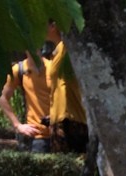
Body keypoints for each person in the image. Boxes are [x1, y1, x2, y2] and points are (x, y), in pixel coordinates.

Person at [46, 21, 88, 153]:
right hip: (58, 118)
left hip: (70, 120)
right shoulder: (56, 53)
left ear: (53, 26)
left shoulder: (66, 48)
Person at [0, 51, 52, 152]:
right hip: (37, 136)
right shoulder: (19, 70)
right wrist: (17, 125)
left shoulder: (53, 67)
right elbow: (2, 98)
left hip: (59, 135)